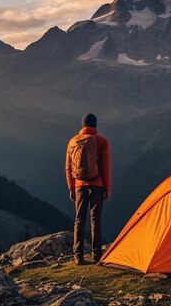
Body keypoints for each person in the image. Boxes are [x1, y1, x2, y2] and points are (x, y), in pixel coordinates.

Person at [65, 113, 111, 265]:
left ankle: (78, 256)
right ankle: (96, 256)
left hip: (79, 186)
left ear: (82, 125)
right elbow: (105, 167)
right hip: (97, 186)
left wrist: (71, 188)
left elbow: (68, 167)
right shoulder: (102, 141)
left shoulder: (72, 142)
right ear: (95, 125)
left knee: (79, 220)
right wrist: (107, 188)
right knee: (95, 220)